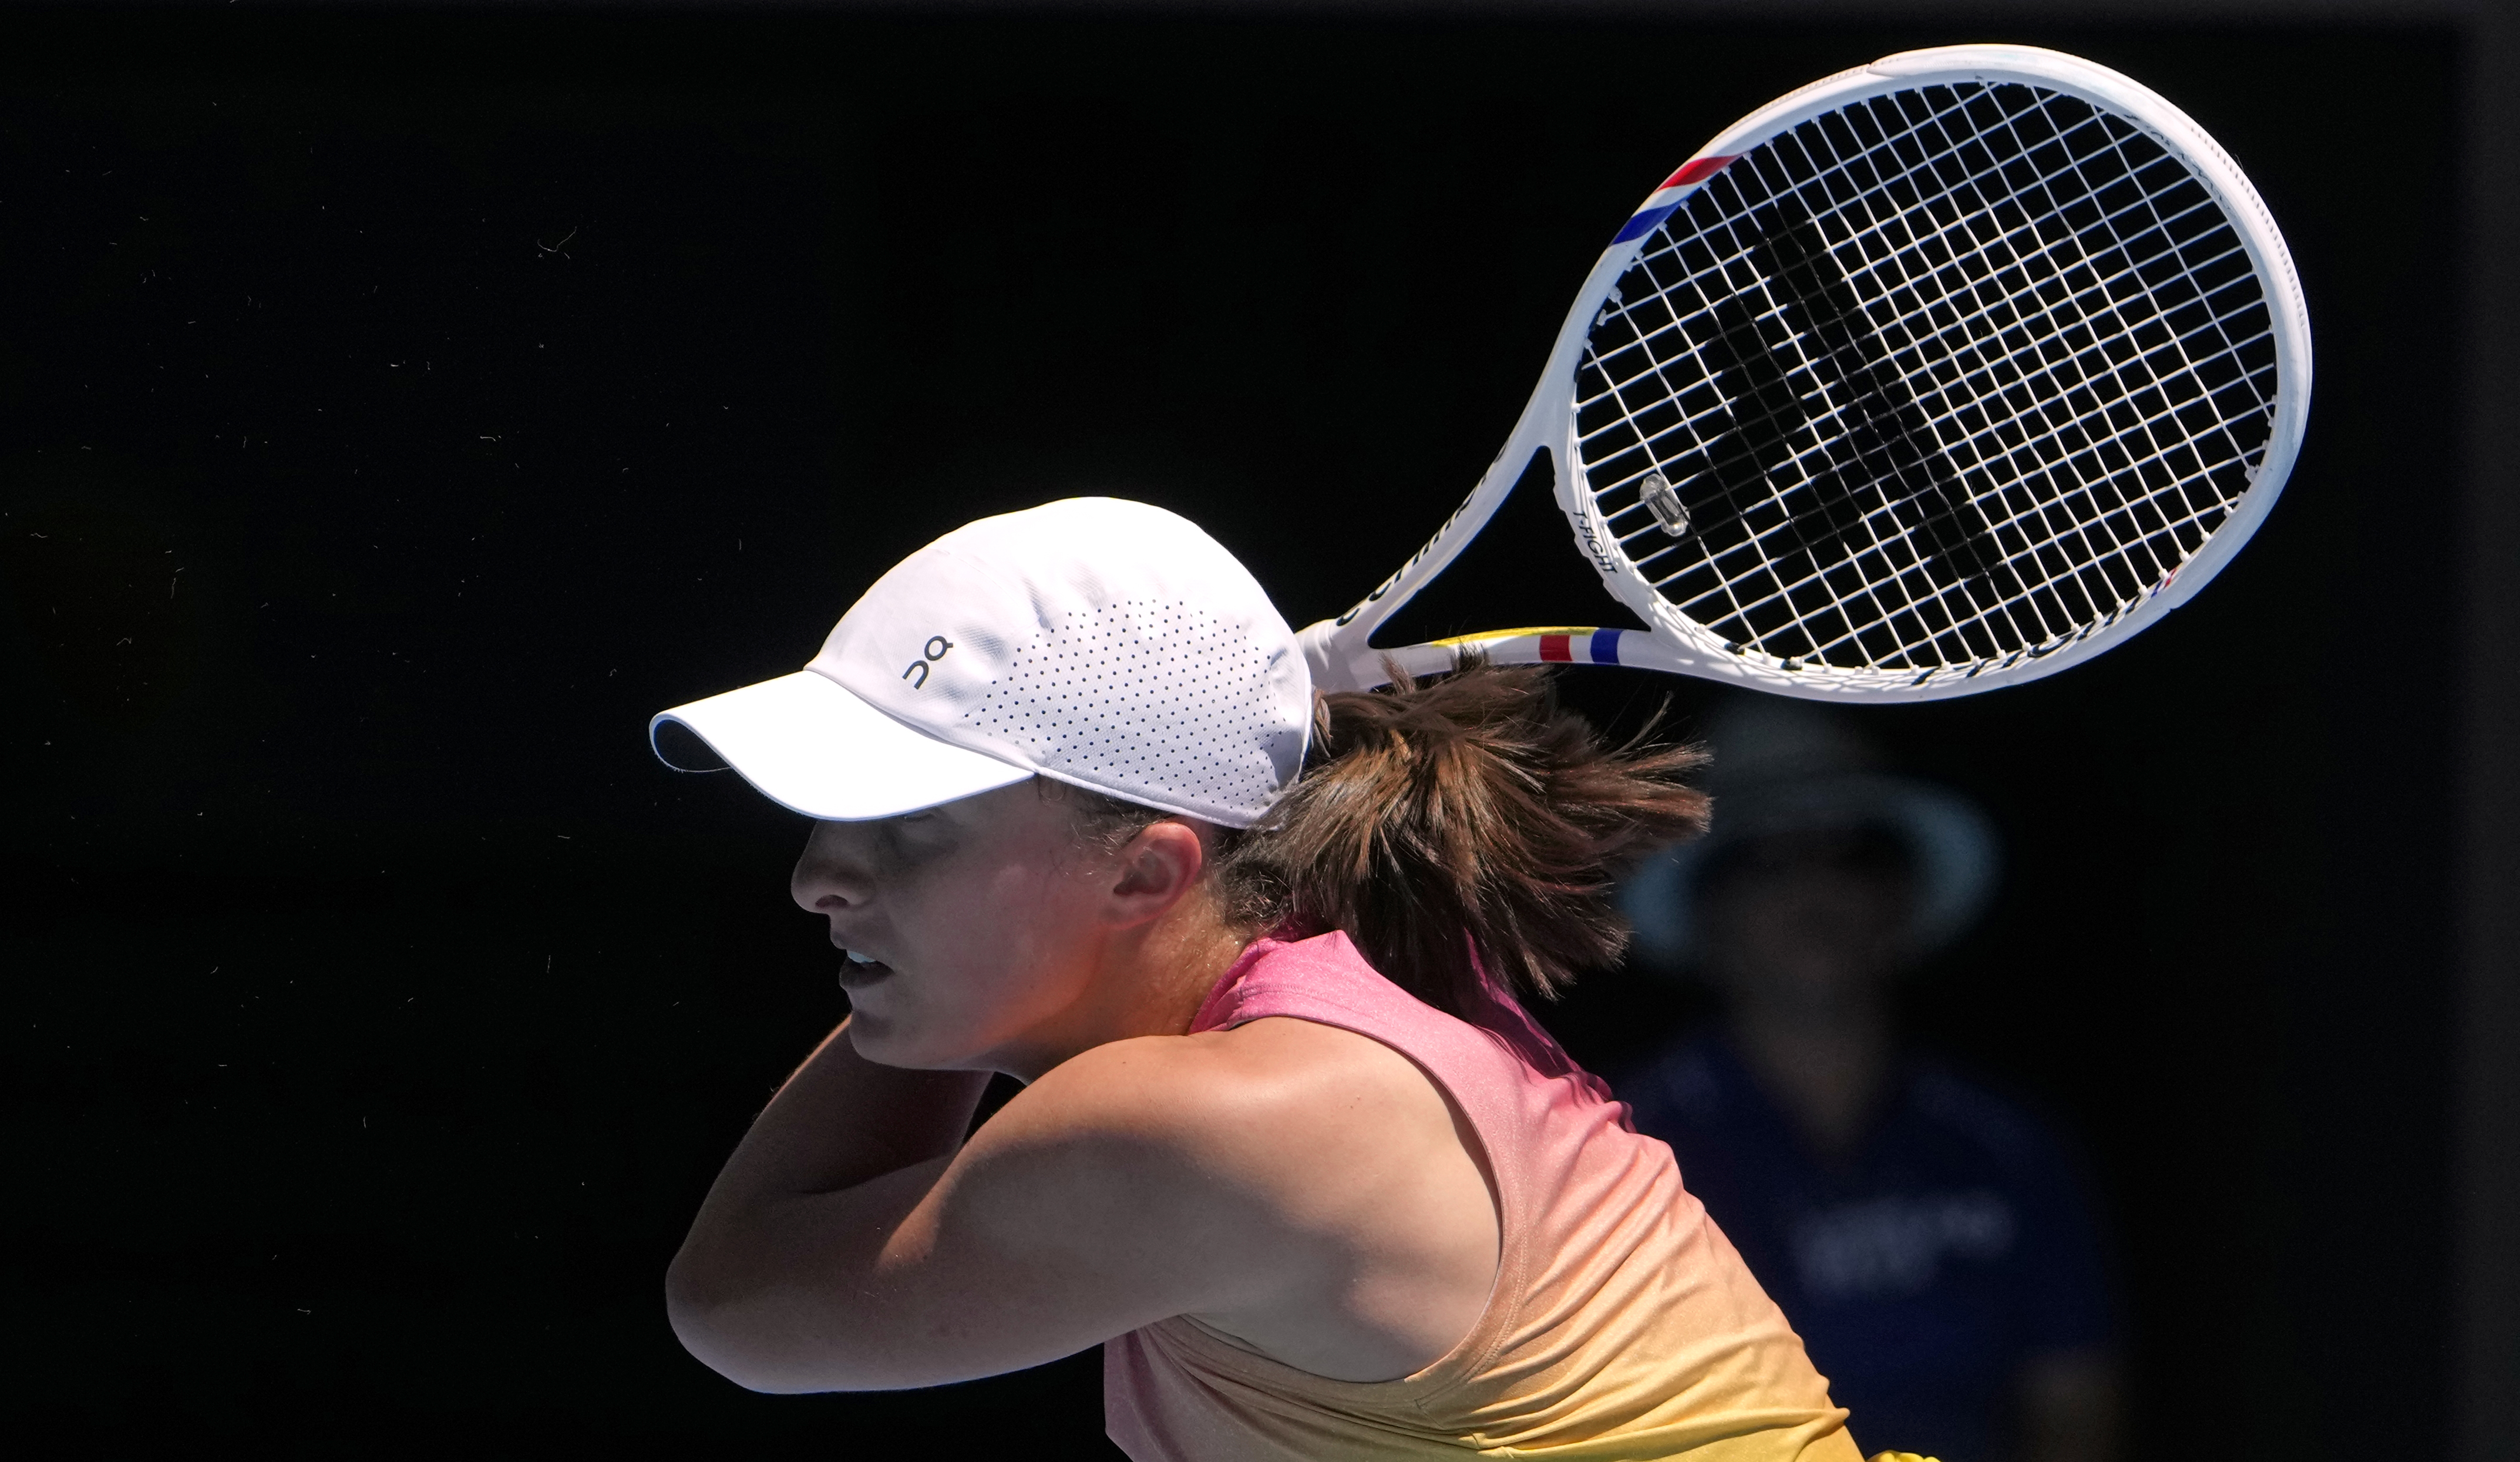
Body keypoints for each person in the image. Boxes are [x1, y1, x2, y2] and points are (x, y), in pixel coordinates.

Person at [651, 497, 1929, 1462]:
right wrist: (975, 980)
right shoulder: (1334, 974)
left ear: (1147, 872)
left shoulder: (1208, 1126)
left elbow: (736, 1303)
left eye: (908, 827)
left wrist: (969, 1000)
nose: (817, 879)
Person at [1617, 698, 2121, 1462]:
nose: (1813, 889)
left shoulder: (2007, 1145)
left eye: (1851, 852)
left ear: (1902, 895)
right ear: (1703, 912)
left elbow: (2077, 1404)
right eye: (1764, 860)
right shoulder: (1620, 1154)